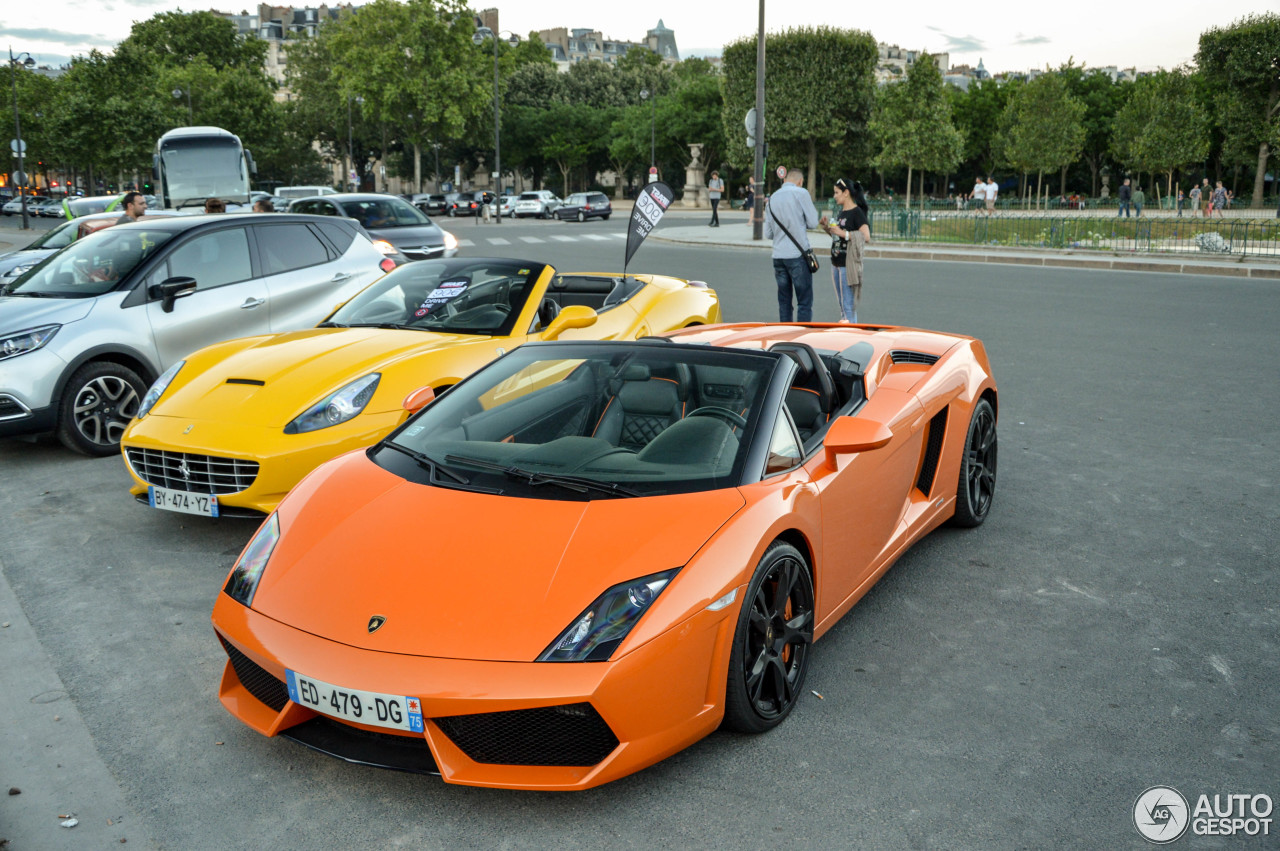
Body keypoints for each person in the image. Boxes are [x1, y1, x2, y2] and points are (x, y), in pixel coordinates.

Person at [763, 167, 820, 322]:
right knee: (804, 302)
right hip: (797, 256)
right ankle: (800, 337)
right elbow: (813, 222)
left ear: (785, 179)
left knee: (784, 302)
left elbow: (768, 233)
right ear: (800, 181)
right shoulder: (801, 193)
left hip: (778, 256)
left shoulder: (772, 198)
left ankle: (785, 336)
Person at [823, 178, 871, 323]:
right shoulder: (841, 212)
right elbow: (838, 236)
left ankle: (851, 335)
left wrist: (843, 233)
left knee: (848, 306)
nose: (834, 196)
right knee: (842, 306)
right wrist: (827, 227)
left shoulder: (857, 213)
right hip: (836, 263)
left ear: (846, 193)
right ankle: (845, 331)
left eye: (837, 192)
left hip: (847, 265)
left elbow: (866, 236)